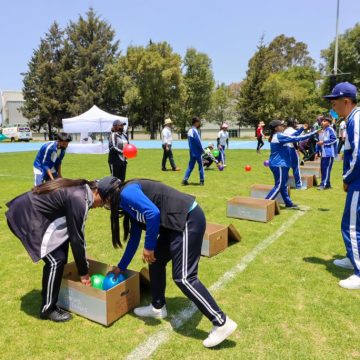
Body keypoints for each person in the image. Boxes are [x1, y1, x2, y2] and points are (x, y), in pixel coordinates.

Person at [97, 176, 237, 347]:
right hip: (172, 227)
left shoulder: (127, 192)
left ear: (110, 196)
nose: (105, 205)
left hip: (188, 220)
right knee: (155, 262)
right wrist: (121, 267)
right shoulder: (126, 203)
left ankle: (221, 322)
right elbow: (134, 237)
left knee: (184, 277)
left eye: (104, 201)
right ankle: (158, 307)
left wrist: (149, 247)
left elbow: (152, 213)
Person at [5, 178, 105, 321]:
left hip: (32, 213)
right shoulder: (79, 198)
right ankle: (48, 309)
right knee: (56, 260)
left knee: (61, 253)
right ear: (96, 192)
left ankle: (53, 299)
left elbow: (74, 235)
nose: (99, 206)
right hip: (25, 216)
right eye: (101, 202)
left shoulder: (81, 191)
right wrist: (84, 273)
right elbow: (76, 238)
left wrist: (83, 261)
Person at [323, 82, 360, 289]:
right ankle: (352, 256)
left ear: (346, 101)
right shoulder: (352, 119)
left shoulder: (355, 120)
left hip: (358, 182)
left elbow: (357, 154)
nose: (333, 108)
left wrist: (347, 178)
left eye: (334, 102)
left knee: (351, 226)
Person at [265, 120, 318, 208]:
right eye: (281, 125)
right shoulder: (279, 136)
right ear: (276, 128)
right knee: (279, 186)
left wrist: (301, 129)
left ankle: (288, 203)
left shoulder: (279, 136)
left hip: (281, 165)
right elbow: (296, 139)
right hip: (279, 165)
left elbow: (293, 136)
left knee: (283, 185)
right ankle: (265, 203)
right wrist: (313, 133)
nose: (283, 126)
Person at [315, 116, 337, 190]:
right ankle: (327, 184)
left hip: (329, 153)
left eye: (324, 121)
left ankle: (323, 184)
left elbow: (334, 139)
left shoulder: (330, 130)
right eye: (322, 121)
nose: (322, 122)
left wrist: (324, 142)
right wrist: (317, 152)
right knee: (323, 169)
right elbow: (318, 142)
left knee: (326, 169)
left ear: (328, 123)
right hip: (323, 153)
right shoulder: (321, 131)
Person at [182, 117, 204, 186]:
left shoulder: (189, 131)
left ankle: (185, 179)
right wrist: (201, 149)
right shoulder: (195, 131)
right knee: (201, 166)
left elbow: (189, 142)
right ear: (196, 122)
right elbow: (198, 141)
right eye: (199, 122)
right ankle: (201, 181)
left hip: (191, 151)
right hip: (197, 152)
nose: (199, 123)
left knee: (190, 166)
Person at [283, 119, 302, 189]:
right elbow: (294, 141)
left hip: (285, 150)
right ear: (292, 123)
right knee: (296, 168)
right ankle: (298, 185)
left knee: (286, 168)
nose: (296, 124)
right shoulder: (294, 131)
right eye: (295, 123)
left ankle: (284, 184)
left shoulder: (284, 131)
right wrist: (297, 149)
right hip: (292, 149)